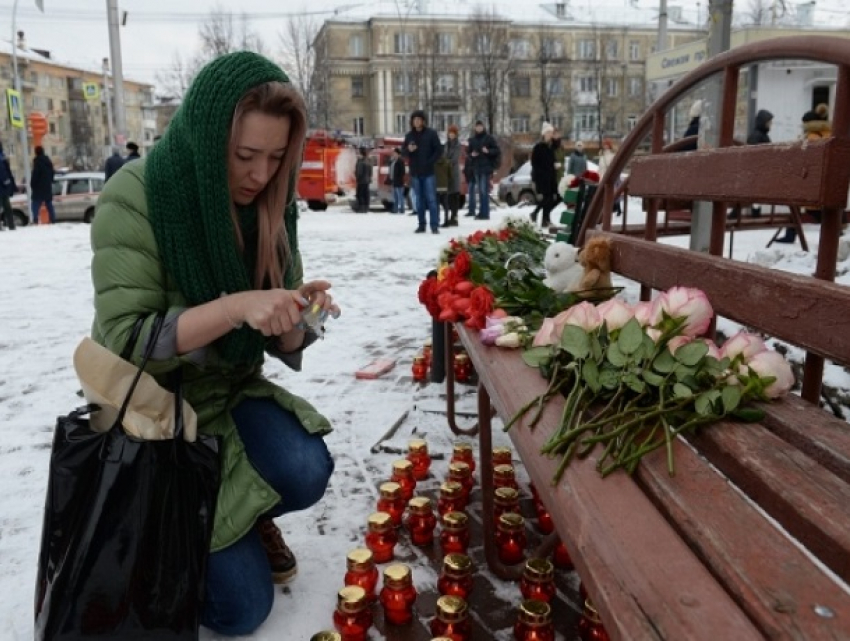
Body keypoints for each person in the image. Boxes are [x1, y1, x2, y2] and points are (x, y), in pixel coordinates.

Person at [90, 52, 337, 636]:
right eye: (245, 156)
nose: (260, 174)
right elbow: (126, 341)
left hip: (225, 395)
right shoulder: (137, 195)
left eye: (277, 158)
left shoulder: (271, 206)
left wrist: (299, 317)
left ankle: (237, 518)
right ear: (207, 141)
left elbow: (277, 339)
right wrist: (232, 308)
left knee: (307, 467)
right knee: (240, 611)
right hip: (154, 415)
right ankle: (167, 539)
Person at [402, 109, 442, 234]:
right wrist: (409, 149)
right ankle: (421, 225)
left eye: (419, 120)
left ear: (423, 121)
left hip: (429, 171)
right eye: (414, 120)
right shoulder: (409, 136)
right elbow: (403, 152)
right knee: (419, 200)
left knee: (431, 199)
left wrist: (430, 161)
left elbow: (439, 150)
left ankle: (434, 225)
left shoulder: (431, 134)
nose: (416, 122)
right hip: (415, 172)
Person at [466, 120, 500, 220]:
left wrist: (488, 151)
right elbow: (468, 154)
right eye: (477, 127)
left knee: (484, 190)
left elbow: (497, 150)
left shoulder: (489, 138)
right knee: (480, 191)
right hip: (476, 168)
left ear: (483, 127)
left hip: (486, 168)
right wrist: (472, 155)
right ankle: (482, 212)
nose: (479, 128)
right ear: (475, 128)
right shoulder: (472, 140)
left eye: (481, 126)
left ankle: (485, 213)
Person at [529, 122, 558, 228]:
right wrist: (539, 173)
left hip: (551, 176)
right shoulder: (538, 147)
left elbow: (557, 146)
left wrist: (554, 165)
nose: (551, 134)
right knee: (547, 198)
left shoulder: (551, 147)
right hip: (542, 177)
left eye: (551, 132)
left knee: (553, 198)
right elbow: (534, 163)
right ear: (544, 134)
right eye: (549, 132)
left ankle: (543, 218)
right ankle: (539, 215)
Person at [436, 124, 461, 227]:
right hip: (445, 172)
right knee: (448, 196)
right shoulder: (446, 144)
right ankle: (449, 216)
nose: (451, 135)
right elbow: (443, 155)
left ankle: (454, 216)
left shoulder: (457, 145)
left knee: (454, 195)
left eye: (453, 133)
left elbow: (455, 158)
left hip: (454, 171)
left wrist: (446, 161)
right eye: (450, 133)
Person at [30, 146, 56, 224]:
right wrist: (50, 181)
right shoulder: (48, 162)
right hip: (47, 186)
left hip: (38, 187)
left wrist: (32, 184)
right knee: (49, 203)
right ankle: (53, 218)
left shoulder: (37, 162)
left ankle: (35, 218)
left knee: (35, 203)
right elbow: (52, 172)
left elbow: (35, 175)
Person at [597, 138, 622, 217]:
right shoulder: (601, 156)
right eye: (604, 145)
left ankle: (615, 208)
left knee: (611, 193)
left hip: (609, 177)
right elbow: (600, 168)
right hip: (602, 176)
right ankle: (608, 208)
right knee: (605, 194)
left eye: (607, 145)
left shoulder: (612, 156)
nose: (605, 146)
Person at [0, 142, 17, 231]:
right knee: (7, 207)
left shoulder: (2, 156)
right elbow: (2, 170)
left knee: (6, 206)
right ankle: (11, 225)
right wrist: (6, 180)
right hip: (2, 186)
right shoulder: (1, 156)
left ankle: (10, 225)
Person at [387, 147, 406, 214]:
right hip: (393, 181)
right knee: (395, 197)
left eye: (394, 153)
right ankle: (395, 209)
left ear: (398, 154)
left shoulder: (400, 161)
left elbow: (403, 172)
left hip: (399, 181)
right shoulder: (393, 161)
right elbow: (390, 171)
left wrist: (398, 178)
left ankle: (402, 209)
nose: (393, 154)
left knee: (400, 196)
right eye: (393, 153)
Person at [353, 146, 372, 213]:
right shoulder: (368, 160)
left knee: (360, 194)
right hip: (367, 180)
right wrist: (369, 178)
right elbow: (370, 171)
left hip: (361, 180)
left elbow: (359, 172)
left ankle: (361, 207)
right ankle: (366, 207)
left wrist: (357, 176)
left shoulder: (360, 161)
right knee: (366, 194)